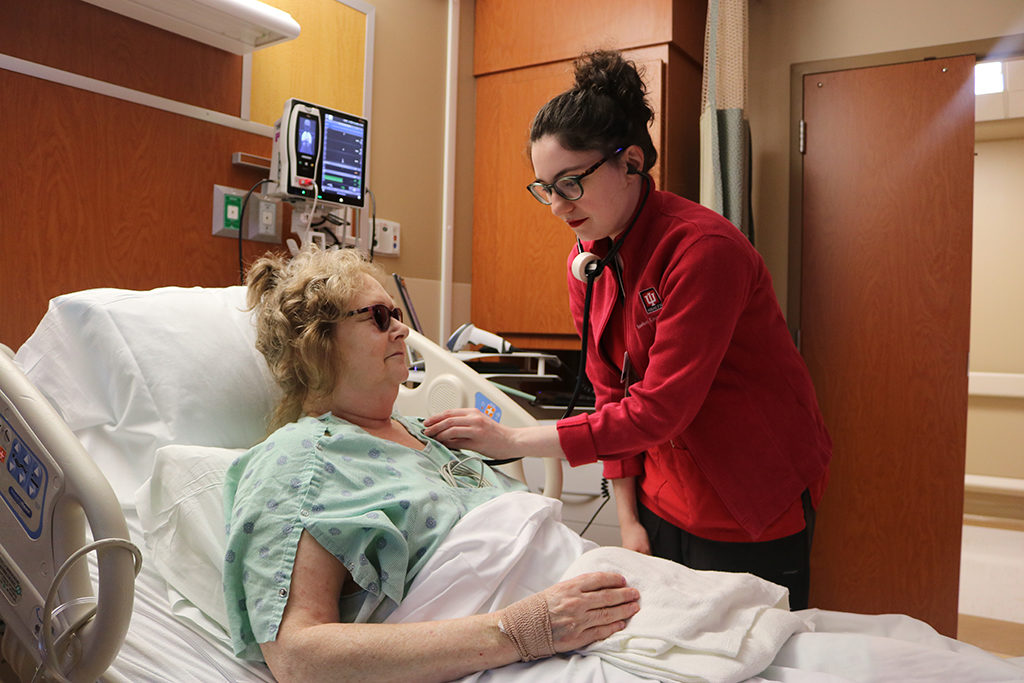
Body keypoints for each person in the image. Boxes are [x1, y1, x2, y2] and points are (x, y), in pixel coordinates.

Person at [423, 50, 831, 610]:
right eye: (544, 188)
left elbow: (660, 408)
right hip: (662, 492)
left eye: (570, 183)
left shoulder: (703, 251)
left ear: (631, 161)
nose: (556, 207)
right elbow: (609, 391)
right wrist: (628, 518)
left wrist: (514, 440)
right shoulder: (590, 260)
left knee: (755, 650)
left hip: (749, 491)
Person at [221, 246, 640, 683]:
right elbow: (297, 655)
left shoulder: (425, 433)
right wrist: (523, 630)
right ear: (316, 343)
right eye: (379, 317)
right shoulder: (299, 460)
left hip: (588, 599)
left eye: (397, 314)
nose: (401, 330)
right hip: (529, 646)